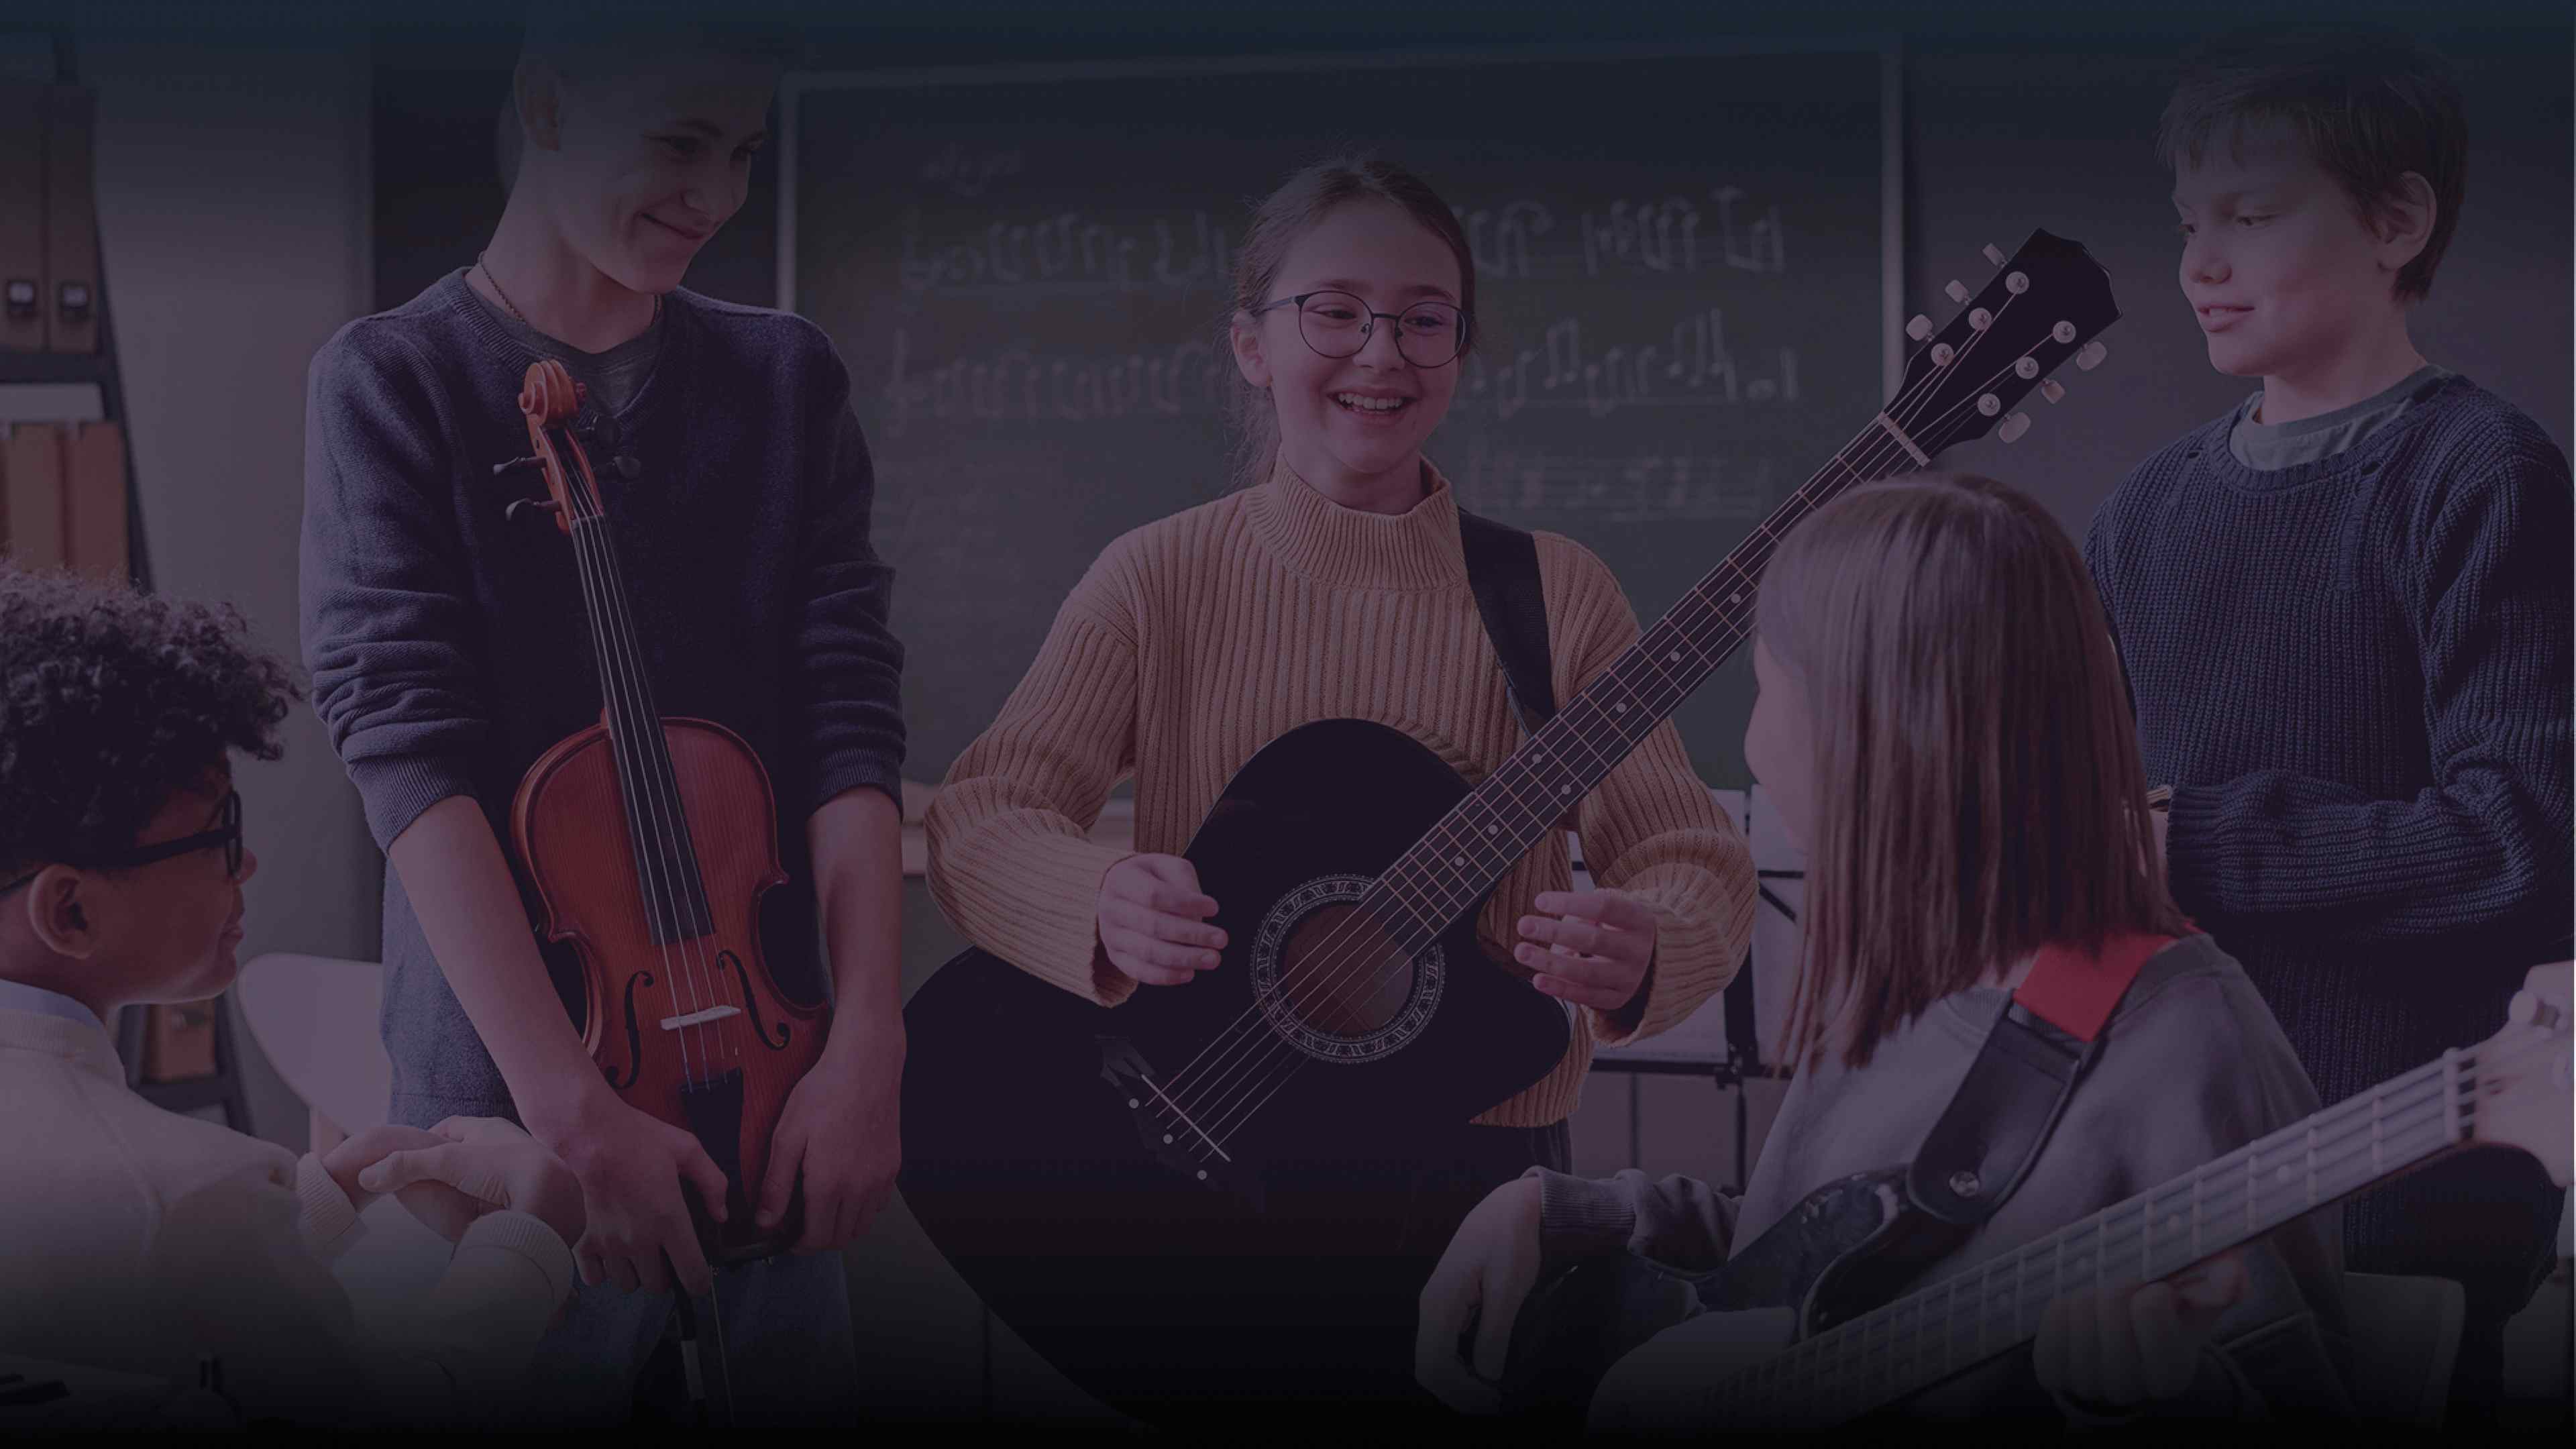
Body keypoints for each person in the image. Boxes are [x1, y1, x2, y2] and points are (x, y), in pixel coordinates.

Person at [922, 154, 1756, 1414]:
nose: (1384, 352)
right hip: (1192, 1162)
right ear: (1252, 346)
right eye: (1336, 311)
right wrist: (1093, 899)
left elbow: (1690, 854)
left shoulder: (1557, 592)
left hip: (1484, 1192)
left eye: (1426, 318)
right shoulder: (1156, 578)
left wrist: (1655, 948)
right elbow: (985, 812)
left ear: (1460, 351)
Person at [1417, 474, 2353, 1428]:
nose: (1750, 751)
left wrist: (2157, 1401)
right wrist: (1563, 1214)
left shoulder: (2190, 1053)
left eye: (1770, 692)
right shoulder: (1909, 971)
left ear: (1878, 736)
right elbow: (1799, 1267)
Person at [298, 11, 906, 1426]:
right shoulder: (389, 380)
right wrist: (572, 1119)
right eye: (682, 141)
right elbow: (405, 751)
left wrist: (870, 1043)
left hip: (772, 1070)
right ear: (547, 104)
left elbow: (848, 715)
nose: (720, 195)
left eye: (744, 152)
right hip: (512, 1088)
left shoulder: (783, 377)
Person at [2085, 24, 2573, 1421]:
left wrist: (2197, 846)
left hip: (2410, 1186)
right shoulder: (2140, 517)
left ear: (2395, 219)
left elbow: (2528, 843)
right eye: (2190, 223)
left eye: (2251, 212)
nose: (2200, 262)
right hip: (2171, 1185)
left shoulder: (2481, 476)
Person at [0, 566, 587, 1428]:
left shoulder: (200, 1201)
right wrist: (530, 1241)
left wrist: (294, 1208)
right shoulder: (194, 1192)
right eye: (219, 835)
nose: (248, 866)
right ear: (71, 908)